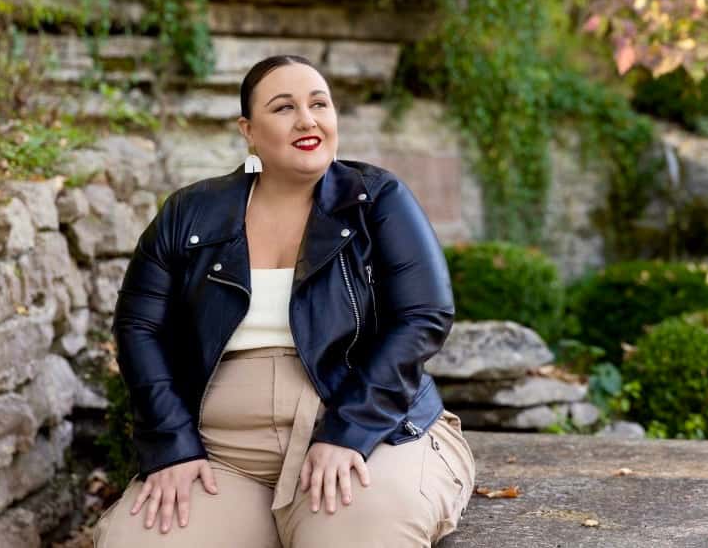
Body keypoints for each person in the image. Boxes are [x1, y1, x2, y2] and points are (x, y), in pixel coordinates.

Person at [94, 55, 475, 547]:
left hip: (367, 435)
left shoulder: (377, 199)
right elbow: (138, 328)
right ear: (248, 130)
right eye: (283, 107)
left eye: (319, 103)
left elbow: (424, 315)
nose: (307, 119)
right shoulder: (189, 212)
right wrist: (172, 445)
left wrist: (349, 432)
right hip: (221, 452)